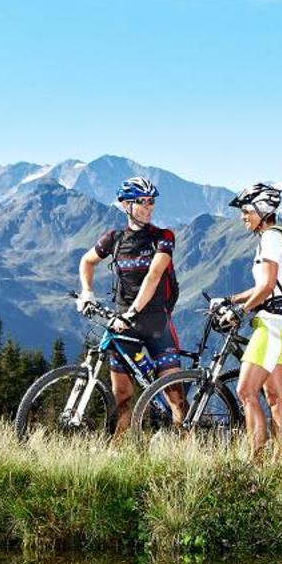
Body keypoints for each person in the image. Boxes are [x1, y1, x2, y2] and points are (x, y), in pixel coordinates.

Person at [78, 176, 185, 433]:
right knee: (122, 396)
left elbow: (154, 275)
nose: (148, 207)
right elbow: (86, 261)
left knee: (175, 397)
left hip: (156, 321)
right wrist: (87, 293)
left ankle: (186, 448)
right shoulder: (113, 239)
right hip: (123, 324)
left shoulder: (163, 237)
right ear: (125, 205)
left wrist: (131, 313)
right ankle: (119, 450)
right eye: (141, 202)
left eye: (151, 202)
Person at [214, 182, 282, 460]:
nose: (242, 216)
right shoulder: (279, 236)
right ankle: (279, 464)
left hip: (271, 325)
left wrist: (240, 312)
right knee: (275, 398)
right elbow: (266, 286)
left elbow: (266, 286)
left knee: (246, 391)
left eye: (246, 210)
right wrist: (232, 299)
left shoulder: (270, 239)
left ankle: (256, 463)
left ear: (262, 209)